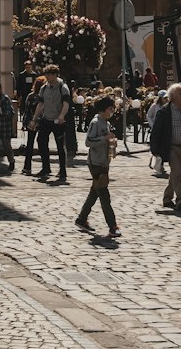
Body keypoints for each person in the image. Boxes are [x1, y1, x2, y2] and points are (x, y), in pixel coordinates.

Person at [149, 82, 181, 212]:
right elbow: (156, 131)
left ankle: (167, 198)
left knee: (175, 175)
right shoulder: (164, 112)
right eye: (180, 93)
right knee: (177, 173)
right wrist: (154, 148)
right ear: (172, 96)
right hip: (170, 147)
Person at [75, 94, 119, 237]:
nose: (112, 111)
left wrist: (111, 143)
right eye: (111, 108)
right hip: (96, 163)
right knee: (104, 196)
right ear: (104, 109)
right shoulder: (95, 122)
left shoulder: (105, 122)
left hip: (104, 162)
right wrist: (104, 139)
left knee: (95, 192)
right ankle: (112, 226)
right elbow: (88, 142)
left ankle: (81, 219)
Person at [32, 63, 71, 183]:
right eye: (46, 74)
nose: (47, 77)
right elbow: (40, 104)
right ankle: (46, 168)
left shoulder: (62, 87)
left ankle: (62, 171)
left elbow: (66, 104)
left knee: (60, 146)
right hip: (46, 119)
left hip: (58, 120)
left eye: (49, 74)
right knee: (41, 141)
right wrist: (34, 119)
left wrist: (61, 116)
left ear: (55, 75)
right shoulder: (44, 88)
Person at [21, 76, 44, 175]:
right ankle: (45, 166)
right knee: (42, 144)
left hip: (31, 122)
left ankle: (27, 167)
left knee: (30, 144)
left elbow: (26, 110)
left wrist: (25, 123)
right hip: (42, 122)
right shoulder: (43, 97)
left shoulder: (30, 96)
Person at [146, 90, 169, 176]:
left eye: (167, 98)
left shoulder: (168, 106)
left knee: (163, 148)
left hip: (165, 129)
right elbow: (149, 115)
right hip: (156, 129)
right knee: (156, 147)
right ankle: (155, 162)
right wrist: (152, 125)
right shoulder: (155, 106)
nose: (166, 99)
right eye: (164, 98)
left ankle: (161, 165)